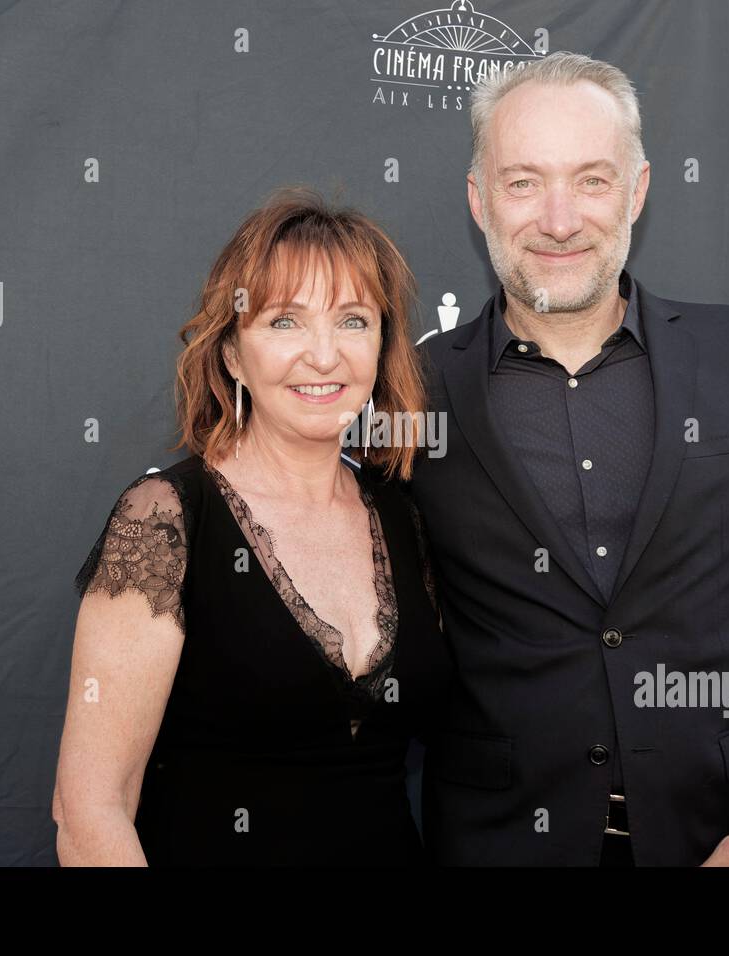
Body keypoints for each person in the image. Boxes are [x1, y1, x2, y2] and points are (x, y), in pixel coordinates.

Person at [407, 52, 729, 867]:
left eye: (592, 181)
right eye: (524, 182)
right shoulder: (410, 392)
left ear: (636, 191)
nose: (559, 219)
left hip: (728, 840)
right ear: (479, 198)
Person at [52, 187, 451, 866]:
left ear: (383, 346)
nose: (323, 356)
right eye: (285, 322)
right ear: (233, 354)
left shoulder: (404, 514)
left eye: (353, 321)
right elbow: (90, 809)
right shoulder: (166, 520)